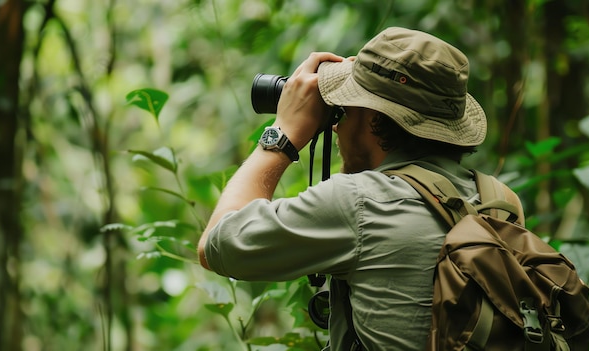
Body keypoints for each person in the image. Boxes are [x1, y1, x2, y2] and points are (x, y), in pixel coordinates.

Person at [198, 27, 513, 350]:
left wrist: (282, 133)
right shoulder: (498, 202)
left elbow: (217, 245)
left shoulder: (360, 202)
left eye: (344, 110)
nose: (335, 125)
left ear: (373, 118)